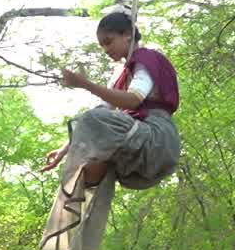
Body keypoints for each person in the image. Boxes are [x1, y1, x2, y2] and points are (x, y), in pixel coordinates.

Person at [40, 11, 180, 190]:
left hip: (155, 139)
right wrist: (65, 150)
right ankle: (79, 204)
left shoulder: (146, 58)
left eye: (108, 41)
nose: (105, 49)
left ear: (127, 35)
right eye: (101, 45)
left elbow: (133, 100)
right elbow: (96, 117)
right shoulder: (119, 76)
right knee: (93, 158)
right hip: (134, 145)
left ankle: (76, 193)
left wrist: (85, 84)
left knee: (94, 118)